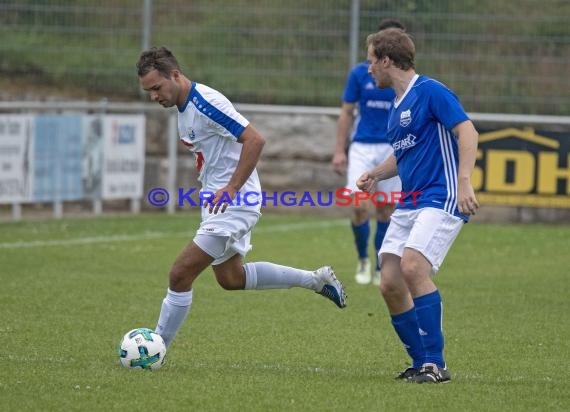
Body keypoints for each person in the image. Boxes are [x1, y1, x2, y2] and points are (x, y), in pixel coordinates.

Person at [136, 46, 347, 350]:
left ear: (175, 75)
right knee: (230, 278)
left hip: (234, 202)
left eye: (157, 88)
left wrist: (232, 187)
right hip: (218, 202)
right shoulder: (185, 108)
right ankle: (316, 280)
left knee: (180, 274)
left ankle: (154, 349)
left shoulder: (206, 103)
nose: (154, 96)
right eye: (149, 92)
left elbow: (255, 139)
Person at [356, 28, 479, 383]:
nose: (367, 70)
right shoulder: (397, 107)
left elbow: (467, 132)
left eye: (370, 62)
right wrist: (377, 174)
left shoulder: (431, 91)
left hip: (440, 196)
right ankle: (420, 361)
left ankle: (435, 365)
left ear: (386, 60)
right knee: (390, 282)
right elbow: (404, 154)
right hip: (409, 202)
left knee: (413, 267)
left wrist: (465, 181)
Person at [332, 19, 405, 286]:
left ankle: (378, 265)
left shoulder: (404, 77)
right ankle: (363, 259)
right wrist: (340, 150)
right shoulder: (359, 74)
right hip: (362, 145)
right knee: (359, 206)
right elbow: (346, 112)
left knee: (385, 210)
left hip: (392, 148)